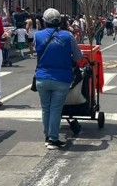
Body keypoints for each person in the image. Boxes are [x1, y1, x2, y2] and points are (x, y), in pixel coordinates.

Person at [34, 8, 83, 149]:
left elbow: (35, 50)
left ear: (44, 21)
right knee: (56, 109)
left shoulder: (38, 36)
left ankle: (47, 136)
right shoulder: (68, 36)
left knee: (46, 109)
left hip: (42, 77)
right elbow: (78, 57)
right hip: (61, 79)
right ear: (60, 21)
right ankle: (53, 139)